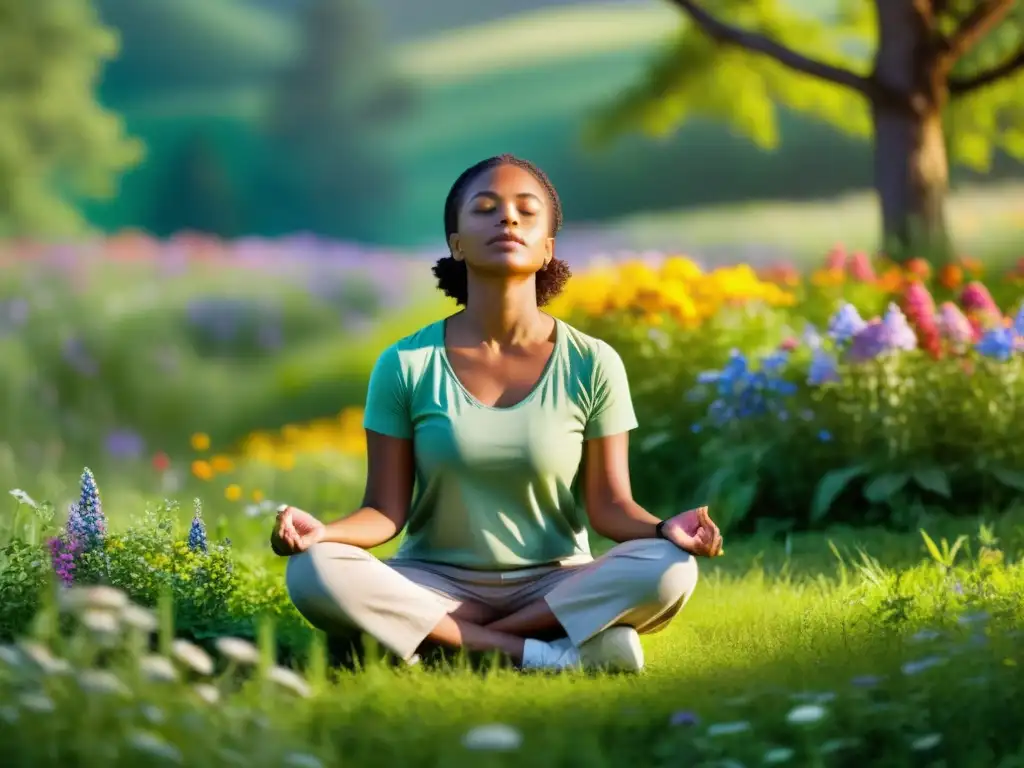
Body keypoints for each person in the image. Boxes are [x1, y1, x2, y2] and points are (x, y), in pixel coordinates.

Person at [273, 154, 723, 673]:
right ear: (456, 243)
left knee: (670, 569)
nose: (507, 219)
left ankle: (441, 644)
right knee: (313, 571)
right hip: (433, 582)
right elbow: (384, 513)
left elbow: (610, 508)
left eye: (525, 212)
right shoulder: (406, 363)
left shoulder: (593, 362)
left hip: (552, 585)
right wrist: (321, 534)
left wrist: (666, 529)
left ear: (548, 246)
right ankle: (546, 655)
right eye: (485, 209)